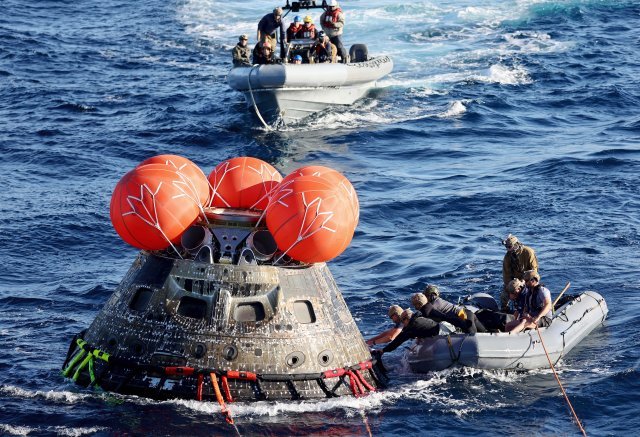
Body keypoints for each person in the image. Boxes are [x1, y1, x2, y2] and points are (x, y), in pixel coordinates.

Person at [413, 286, 487, 333]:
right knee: (484, 333)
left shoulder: (432, 306)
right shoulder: (440, 300)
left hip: (464, 317)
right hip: (468, 313)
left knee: (473, 337)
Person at [374, 309, 440, 355]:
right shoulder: (420, 318)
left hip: (438, 337)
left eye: (403, 321)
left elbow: (398, 340)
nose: (403, 323)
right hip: (441, 328)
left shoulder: (412, 327)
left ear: (406, 319)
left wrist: (384, 350)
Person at [500, 234, 539, 312]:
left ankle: (530, 309)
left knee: (527, 295)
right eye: (506, 247)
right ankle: (505, 312)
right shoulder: (507, 257)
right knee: (504, 295)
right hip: (515, 280)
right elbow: (506, 275)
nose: (507, 249)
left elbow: (534, 271)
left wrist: (524, 282)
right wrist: (510, 289)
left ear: (516, 245)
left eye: (509, 247)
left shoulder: (528, 252)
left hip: (529, 278)